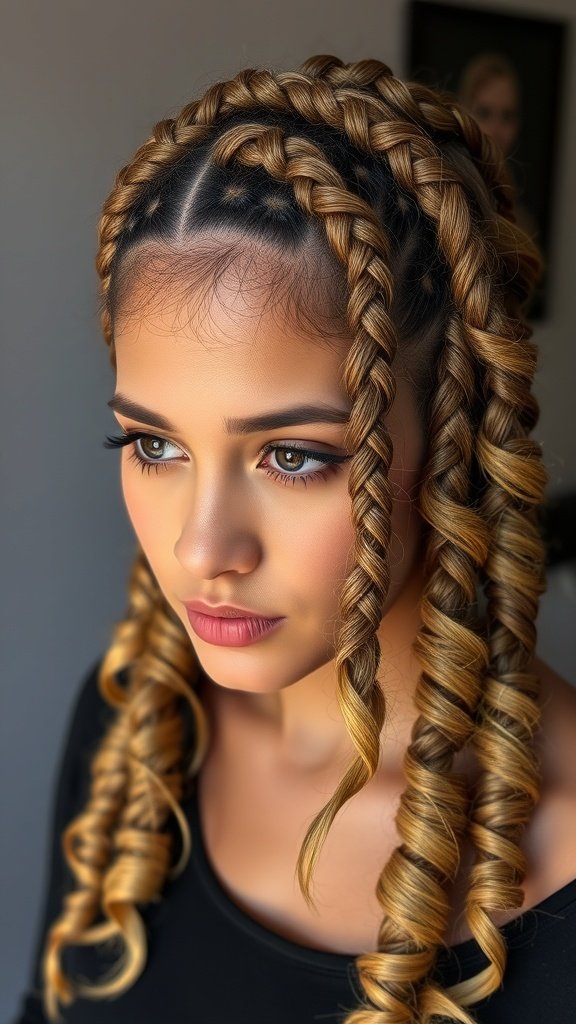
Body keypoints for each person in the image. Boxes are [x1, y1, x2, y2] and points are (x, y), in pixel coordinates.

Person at [13, 54, 576, 1024]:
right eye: (154, 444)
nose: (202, 549)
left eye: (292, 457)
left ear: (453, 438)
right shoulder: (135, 732)